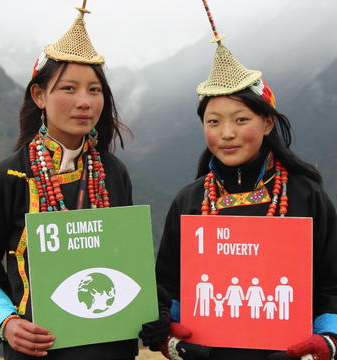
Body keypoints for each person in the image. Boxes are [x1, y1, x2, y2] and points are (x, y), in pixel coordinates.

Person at [140, 2, 337, 360]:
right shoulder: (190, 200)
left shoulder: (307, 195)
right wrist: (169, 336)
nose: (226, 133)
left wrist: (326, 341)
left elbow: (331, 283)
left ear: (267, 123)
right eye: (213, 122)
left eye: (240, 119)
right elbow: (165, 285)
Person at [0, 2, 139, 359]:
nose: (84, 102)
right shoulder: (9, 177)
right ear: (39, 96)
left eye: (94, 90)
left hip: (110, 348)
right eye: (68, 88)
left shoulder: (113, 173)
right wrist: (5, 322)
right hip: (38, 350)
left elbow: (125, 262)